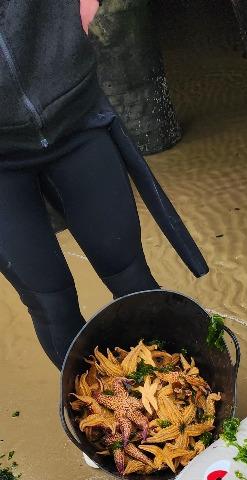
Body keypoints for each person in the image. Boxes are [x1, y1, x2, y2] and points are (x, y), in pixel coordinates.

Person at [0, 0, 206, 369]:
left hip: (75, 114)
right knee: (51, 303)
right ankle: (109, 412)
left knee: (131, 276)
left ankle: (177, 395)